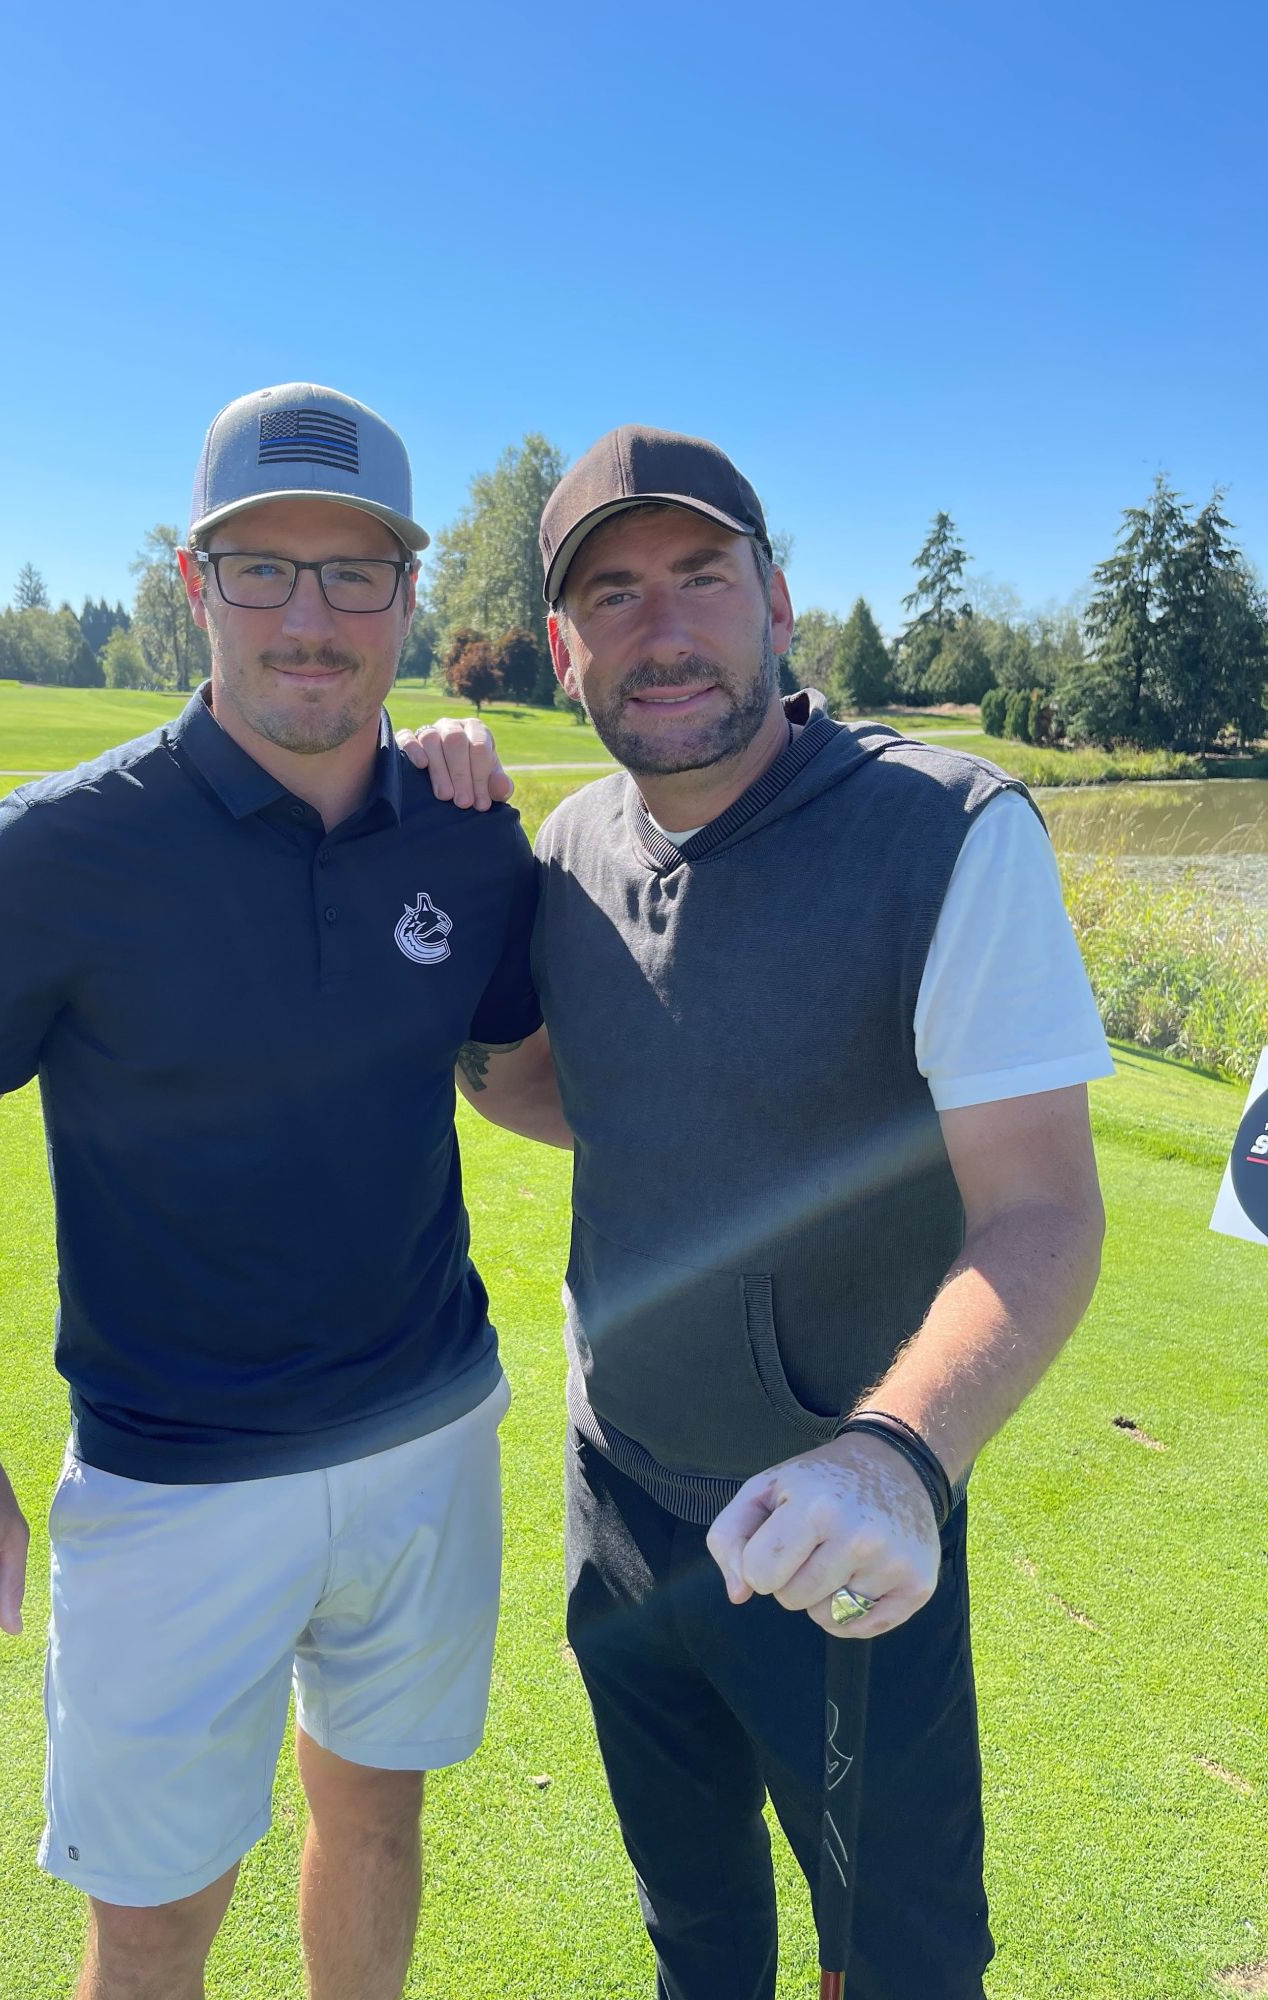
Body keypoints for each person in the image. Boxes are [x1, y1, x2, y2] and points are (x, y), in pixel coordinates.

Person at [0, 382, 557, 2000]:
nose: (311, 617)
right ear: (195, 586)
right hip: (175, 1485)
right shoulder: (59, 856)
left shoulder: (467, 841)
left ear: (409, 595)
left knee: (376, 1824)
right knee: (156, 1923)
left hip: (426, 1439)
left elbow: (523, 1085)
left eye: (354, 571)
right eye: (265, 570)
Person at [402, 424, 1112, 1999]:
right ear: (565, 647)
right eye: (613, 595)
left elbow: (1046, 1208)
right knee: (695, 1934)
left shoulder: (944, 831)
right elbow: (563, 1096)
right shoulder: (574, 845)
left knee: (901, 1960)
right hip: (620, 1510)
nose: (662, 630)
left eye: (700, 578)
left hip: (845, 1528)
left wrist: (895, 1457)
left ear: (778, 598)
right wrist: (446, 863)